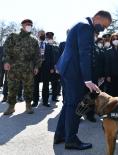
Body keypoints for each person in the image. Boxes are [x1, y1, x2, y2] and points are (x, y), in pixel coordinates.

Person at [54, 10, 111, 150]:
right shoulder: (86, 27)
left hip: (69, 70)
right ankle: (71, 139)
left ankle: (61, 134)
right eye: (103, 26)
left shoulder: (81, 24)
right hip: (75, 72)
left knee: (68, 104)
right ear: (96, 18)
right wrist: (87, 79)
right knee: (75, 105)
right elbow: (84, 53)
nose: (103, 29)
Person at [3, 19, 41, 115]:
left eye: (31, 25)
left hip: (28, 68)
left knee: (29, 88)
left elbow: (37, 55)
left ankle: (28, 106)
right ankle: (11, 107)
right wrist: (6, 61)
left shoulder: (34, 40)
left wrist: (36, 66)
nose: (29, 26)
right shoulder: (13, 36)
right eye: (27, 24)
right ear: (22, 25)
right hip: (14, 66)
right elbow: (7, 49)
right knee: (12, 87)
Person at [32, 30, 54, 107]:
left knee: (46, 84)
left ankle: (45, 101)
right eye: (40, 34)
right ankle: (35, 101)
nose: (41, 35)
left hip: (46, 67)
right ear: (38, 35)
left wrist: (51, 67)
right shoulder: (34, 45)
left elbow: (51, 57)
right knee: (35, 84)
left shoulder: (49, 45)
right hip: (36, 67)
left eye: (43, 34)